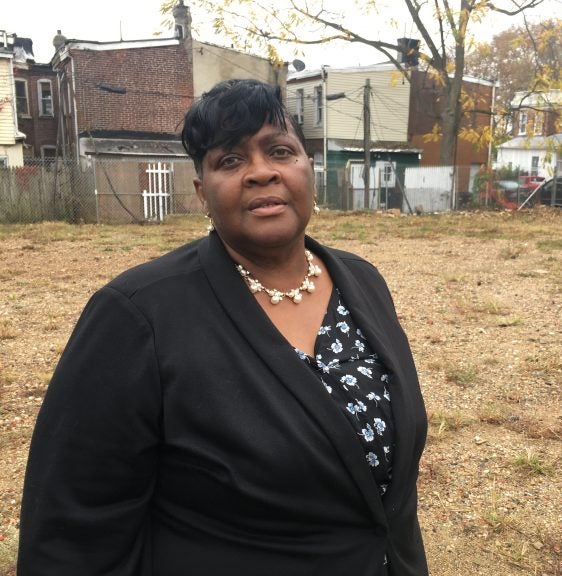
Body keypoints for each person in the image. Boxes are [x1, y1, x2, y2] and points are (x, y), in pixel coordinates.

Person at [18, 79, 429, 576]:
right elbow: (72, 530)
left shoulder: (362, 282)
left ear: (308, 168)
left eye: (280, 150)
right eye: (230, 161)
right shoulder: (136, 316)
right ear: (201, 192)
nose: (261, 173)